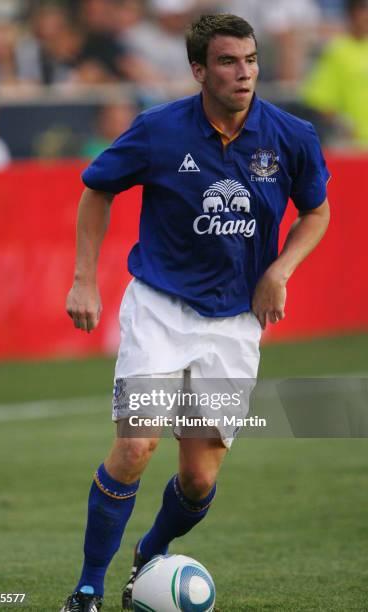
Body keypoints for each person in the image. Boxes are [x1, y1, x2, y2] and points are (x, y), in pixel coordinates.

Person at [61, 13, 330, 612]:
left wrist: (278, 272)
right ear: (199, 70)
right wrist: (84, 279)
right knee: (135, 447)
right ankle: (86, 589)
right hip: (160, 308)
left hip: (235, 323)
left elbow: (317, 211)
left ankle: (148, 556)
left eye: (252, 60)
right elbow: (96, 189)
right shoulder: (159, 130)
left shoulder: (290, 135)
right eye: (230, 62)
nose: (245, 73)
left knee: (199, 479)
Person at [302, 0, 368, 148]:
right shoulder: (336, 51)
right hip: (353, 147)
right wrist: (341, 124)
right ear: (351, 16)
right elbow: (318, 99)